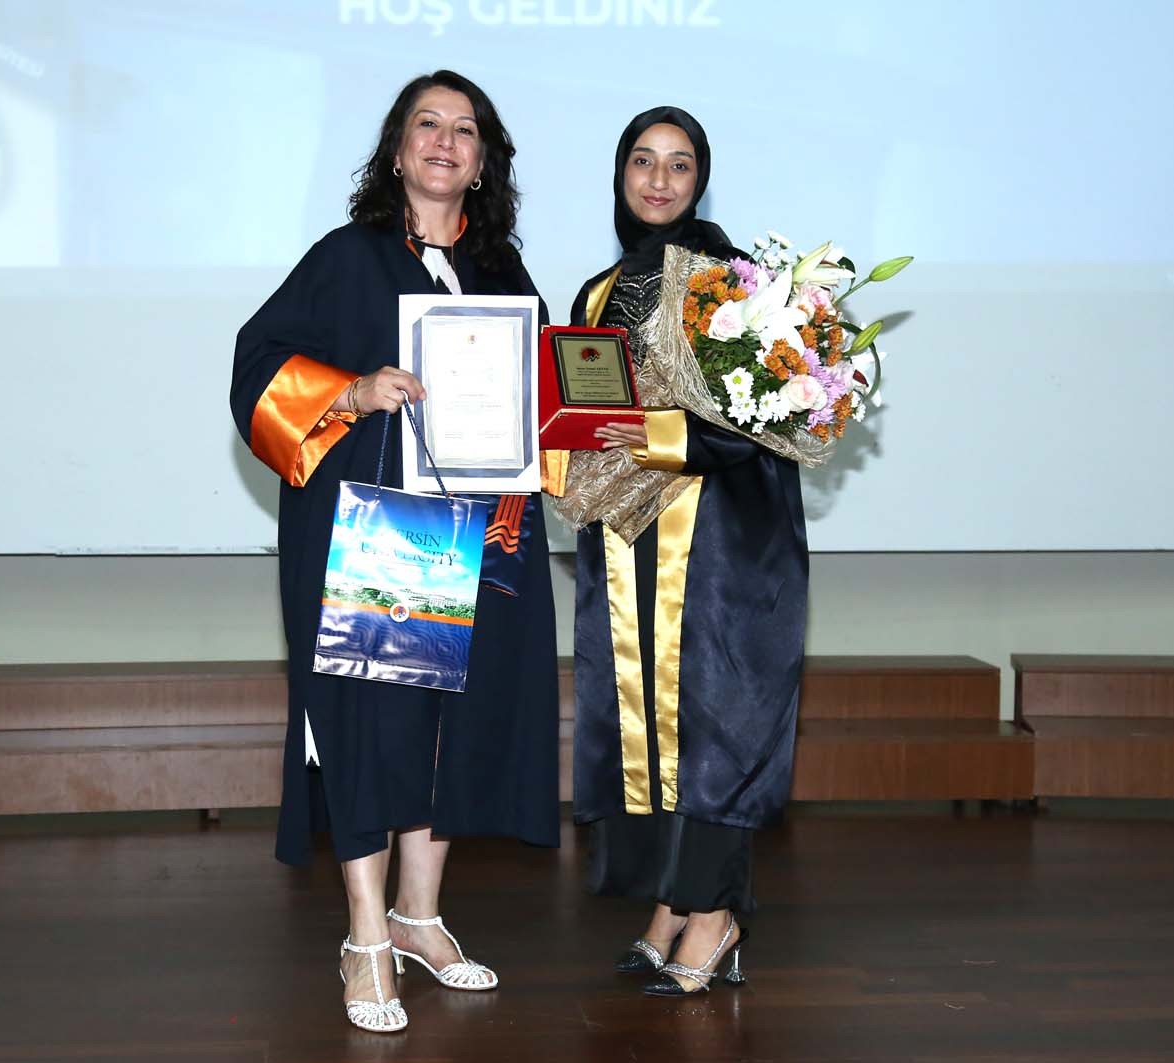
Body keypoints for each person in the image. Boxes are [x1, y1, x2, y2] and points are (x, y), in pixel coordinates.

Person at [229, 70, 558, 1034]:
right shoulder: (347, 258)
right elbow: (258, 366)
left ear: (483, 160)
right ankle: (365, 933)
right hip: (381, 534)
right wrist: (354, 390)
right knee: (373, 729)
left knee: (449, 726)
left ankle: (420, 914)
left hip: (482, 534)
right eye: (428, 124)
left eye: (466, 129)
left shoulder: (505, 273)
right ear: (398, 148)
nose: (446, 141)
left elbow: (539, 398)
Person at [563, 106, 806, 997]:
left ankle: (714, 914)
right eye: (643, 160)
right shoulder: (597, 292)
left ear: (699, 180)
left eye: (678, 163)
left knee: (716, 721)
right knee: (649, 724)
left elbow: (756, 423)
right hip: (629, 534)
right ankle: (671, 900)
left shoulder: (733, 286)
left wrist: (657, 435)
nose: (658, 179)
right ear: (621, 174)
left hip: (724, 541)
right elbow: (583, 411)